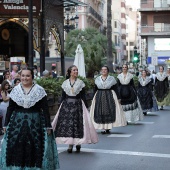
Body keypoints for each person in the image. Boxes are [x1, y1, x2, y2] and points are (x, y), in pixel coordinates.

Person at [0, 68, 59, 170]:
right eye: (23, 76)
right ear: (20, 76)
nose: (25, 78)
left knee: (35, 148)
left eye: (27, 76)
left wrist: (48, 126)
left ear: (32, 77)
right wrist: (5, 124)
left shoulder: (40, 90)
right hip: (17, 124)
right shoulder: (15, 90)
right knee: (16, 148)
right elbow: (10, 108)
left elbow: (45, 109)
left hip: (36, 123)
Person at [52, 65, 98, 153]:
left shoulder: (81, 82)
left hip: (78, 105)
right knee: (69, 125)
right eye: (74, 70)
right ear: (69, 72)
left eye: (77, 70)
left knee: (77, 124)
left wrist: (85, 107)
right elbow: (63, 96)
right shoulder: (65, 83)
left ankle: (78, 143)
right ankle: (70, 144)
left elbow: (83, 96)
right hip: (67, 105)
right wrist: (60, 106)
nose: (76, 71)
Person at [90, 66, 127, 134]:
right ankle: (102, 127)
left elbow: (116, 88)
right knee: (100, 111)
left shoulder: (112, 79)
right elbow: (95, 89)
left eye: (105, 70)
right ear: (101, 71)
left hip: (109, 95)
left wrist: (119, 98)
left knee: (109, 111)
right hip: (99, 95)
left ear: (108, 71)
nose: (104, 71)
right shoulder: (97, 79)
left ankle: (108, 127)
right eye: (102, 70)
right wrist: (93, 98)